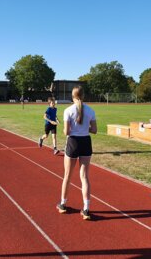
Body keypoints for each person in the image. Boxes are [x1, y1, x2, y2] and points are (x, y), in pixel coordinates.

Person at [56, 86, 97, 220]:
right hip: (86, 142)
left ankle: (63, 204)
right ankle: (86, 208)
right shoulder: (91, 110)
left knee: (67, 175)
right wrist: (85, 127)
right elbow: (95, 130)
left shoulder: (68, 110)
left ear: (72, 96)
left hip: (73, 142)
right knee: (84, 177)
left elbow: (67, 132)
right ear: (83, 96)